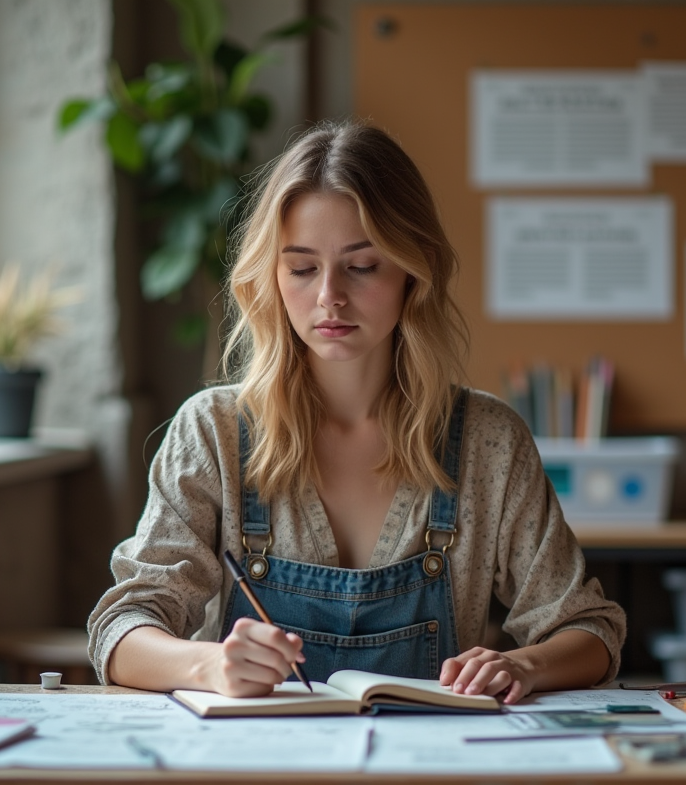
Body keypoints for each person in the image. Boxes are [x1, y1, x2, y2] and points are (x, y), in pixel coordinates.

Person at [88, 120, 625, 703]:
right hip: (252, 757)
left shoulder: (488, 439)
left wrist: (525, 666)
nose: (329, 297)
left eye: (362, 266)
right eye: (301, 268)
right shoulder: (213, 430)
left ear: (413, 271)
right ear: (271, 277)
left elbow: (588, 629)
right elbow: (122, 629)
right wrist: (208, 665)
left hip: (427, 757)